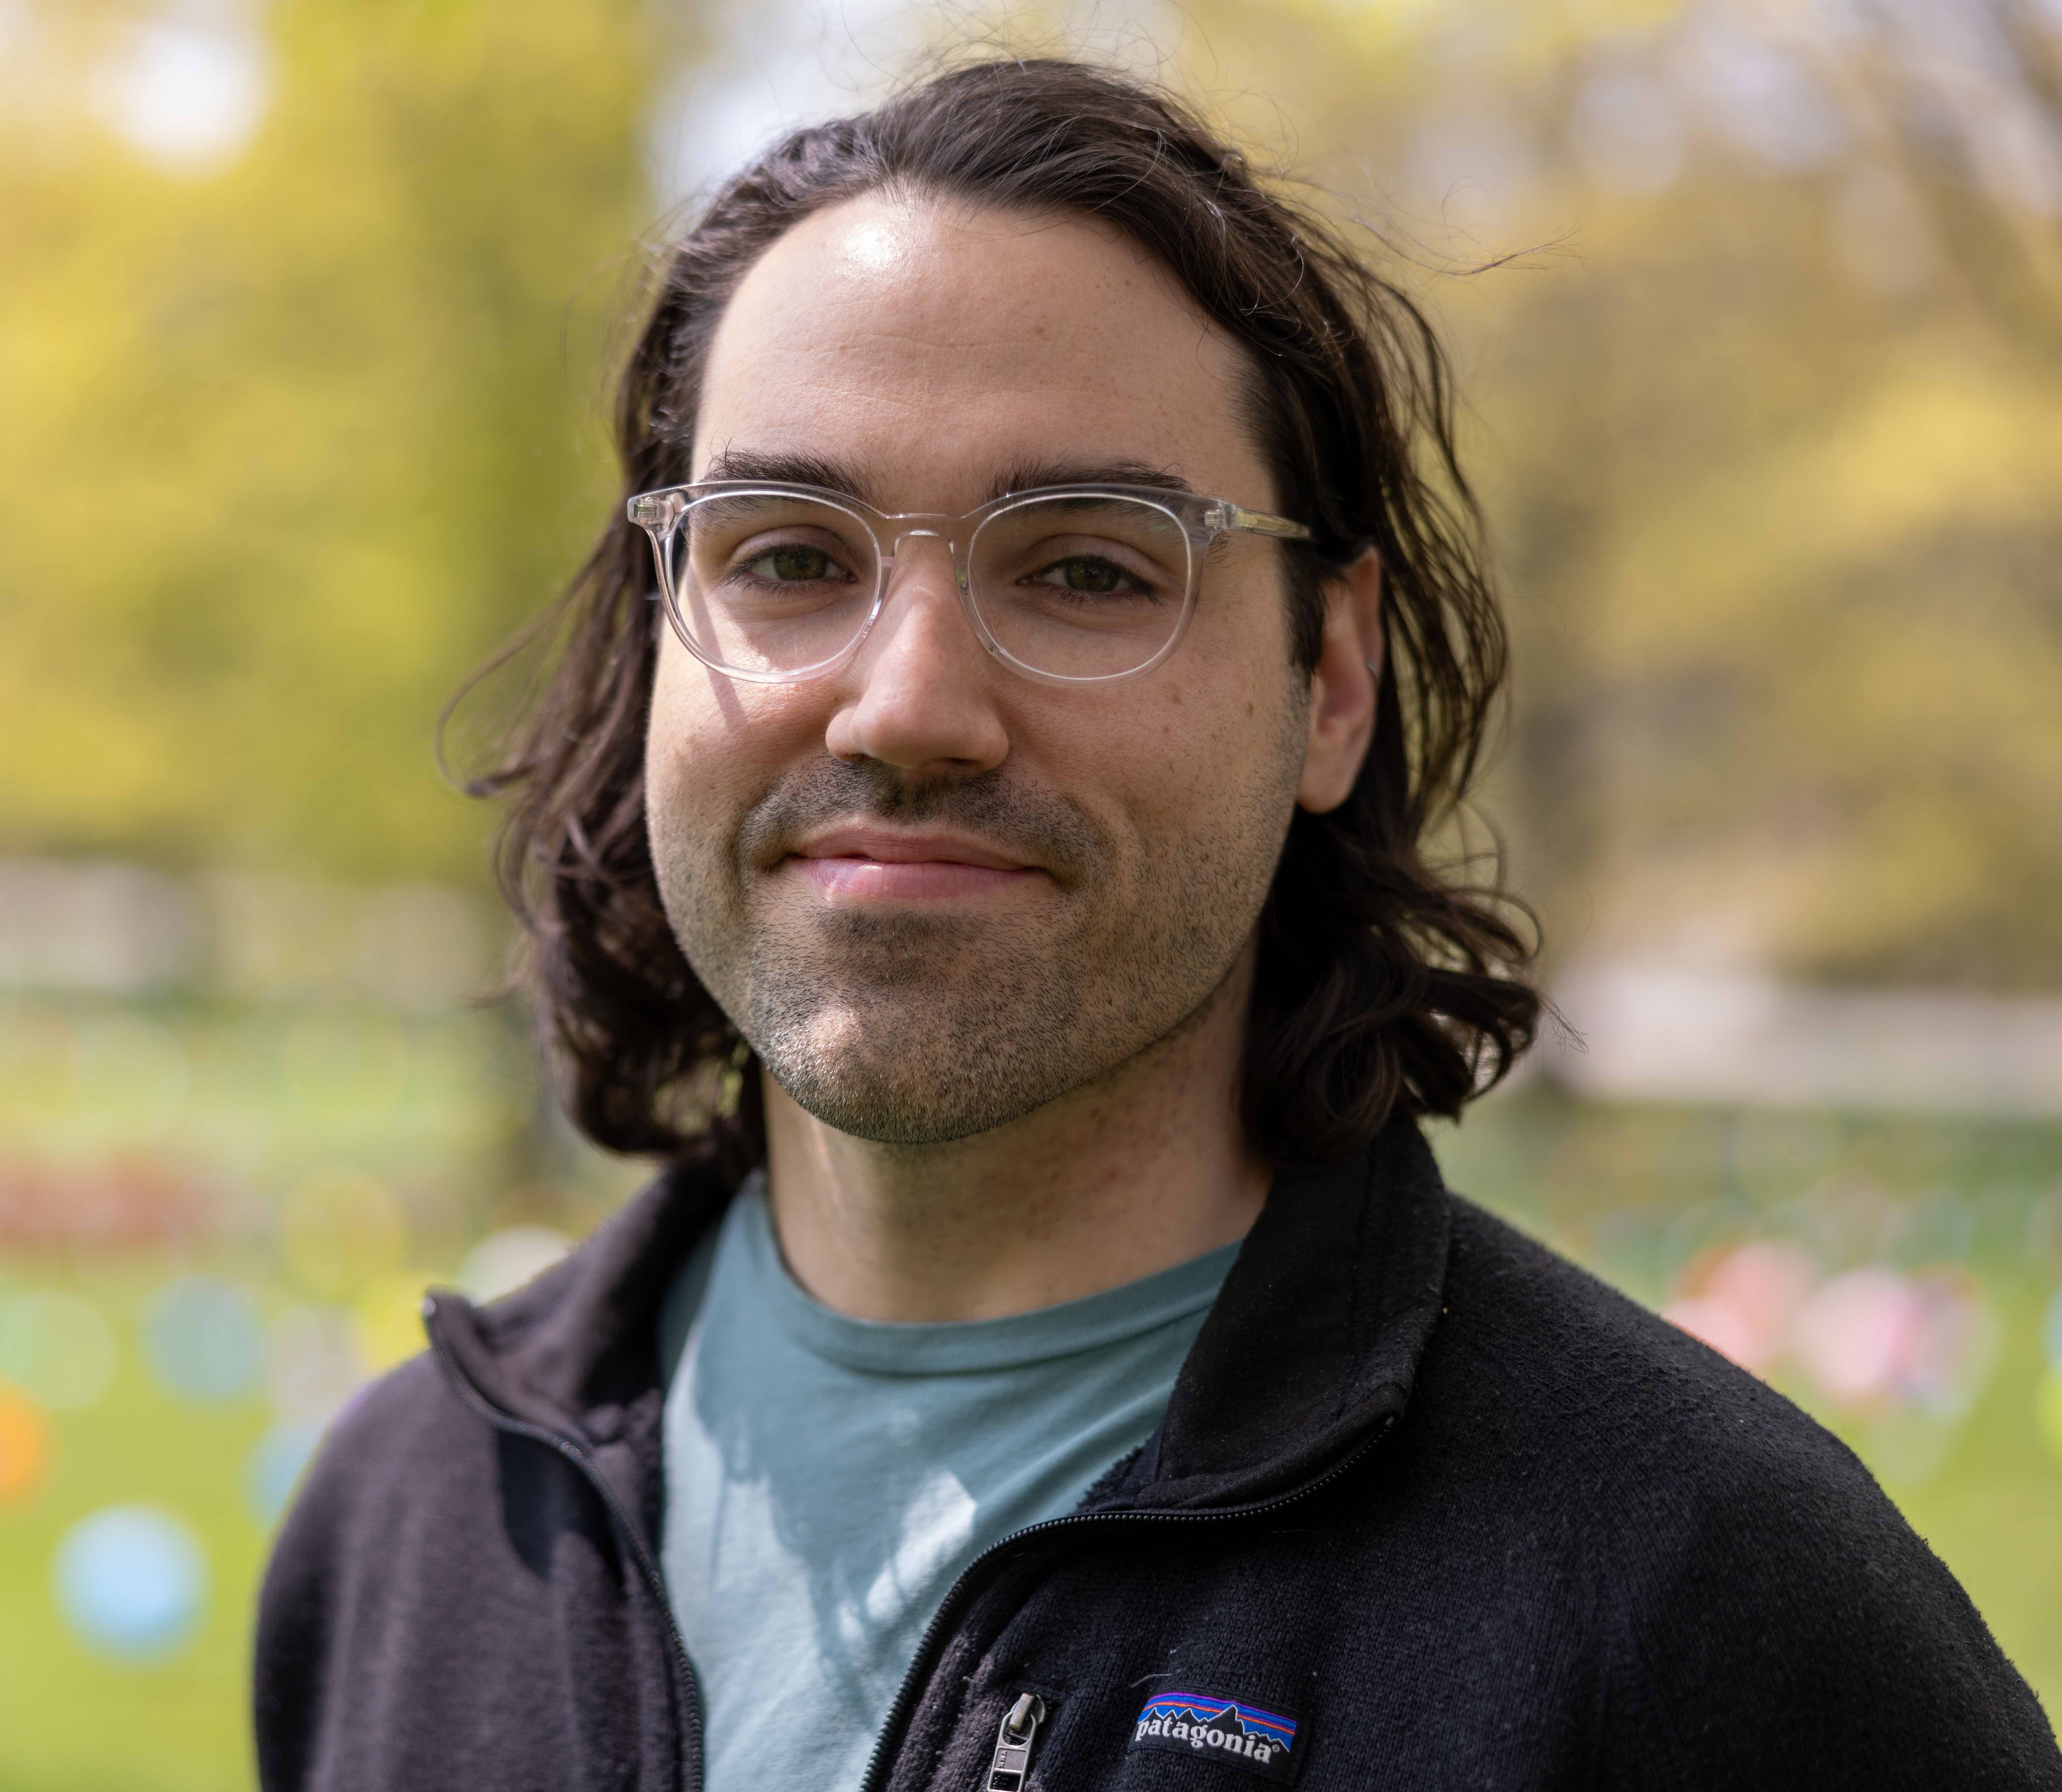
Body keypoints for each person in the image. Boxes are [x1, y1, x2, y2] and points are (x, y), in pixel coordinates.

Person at [253, 57, 2060, 1792]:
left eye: (1087, 568)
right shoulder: (410, 1519)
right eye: (789, 555)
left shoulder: (1694, 1606)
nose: (907, 707)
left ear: (1329, 681)